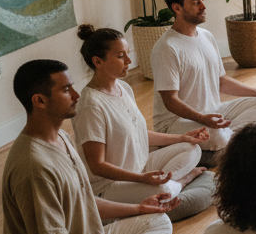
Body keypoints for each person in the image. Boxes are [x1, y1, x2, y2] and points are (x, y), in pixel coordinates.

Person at [0, 60, 190, 234]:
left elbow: (85, 201)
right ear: (40, 100)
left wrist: (138, 209)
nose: (77, 95)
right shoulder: (32, 165)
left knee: (158, 220)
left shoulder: (62, 138)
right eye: (66, 89)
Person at [72, 24, 208, 204]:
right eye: (121, 56)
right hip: (110, 187)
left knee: (191, 148)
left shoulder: (124, 88)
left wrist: (182, 137)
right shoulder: (90, 105)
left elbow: (139, 134)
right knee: (162, 188)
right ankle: (179, 183)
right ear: (98, 61)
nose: (129, 60)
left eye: (127, 53)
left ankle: (166, 186)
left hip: (141, 168)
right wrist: (142, 180)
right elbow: (97, 166)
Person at [151, 0, 256, 150]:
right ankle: (235, 138)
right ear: (177, 8)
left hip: (211, 111)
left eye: (202, 0)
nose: (203, 6)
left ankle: (231, 138)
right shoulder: (167, 48)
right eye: (196, 2)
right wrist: (202, 119)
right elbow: (170, 101)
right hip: (175, 123)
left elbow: (221, 81)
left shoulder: (206, 36)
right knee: (217, 136)